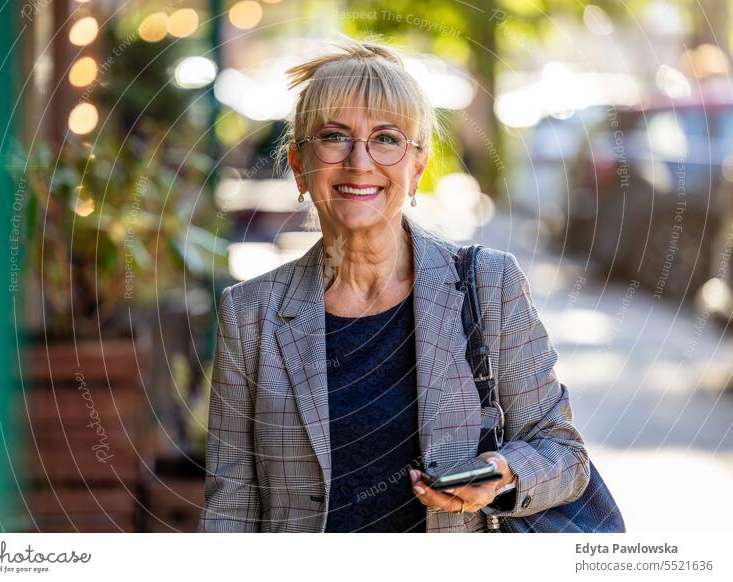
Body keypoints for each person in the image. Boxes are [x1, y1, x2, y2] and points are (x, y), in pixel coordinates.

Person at [199, 39, 590, 533]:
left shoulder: (489, 284)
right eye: (335, 136)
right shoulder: (249, 313)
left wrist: (502, 473)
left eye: (387, 139)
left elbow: (563, 454)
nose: (360, 162)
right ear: (300, 165)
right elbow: (231, 506)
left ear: (417, 168)